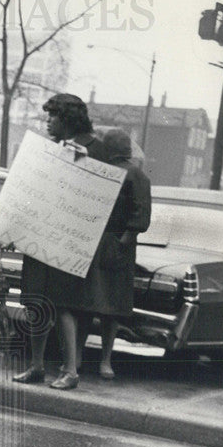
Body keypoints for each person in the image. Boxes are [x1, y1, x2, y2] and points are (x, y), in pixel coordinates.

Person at [13, 93, 106, 390]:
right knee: (36, 303)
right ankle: (37, 366)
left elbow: (102, 191)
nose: (48, 122)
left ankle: (70, 370)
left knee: (63, 305)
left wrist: (84, 162)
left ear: (67, 118)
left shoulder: (94, 148)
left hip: (68, 240)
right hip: (41, 235)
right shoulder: (50, 149)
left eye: (52, 116)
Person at [76, 127, 152, 379]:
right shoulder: (104, 169)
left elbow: (140, 213)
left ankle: (98, 358)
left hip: (117, 243)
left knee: (103, 305)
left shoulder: (134, 175)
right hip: (101, 241)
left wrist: (124, 241)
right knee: (95, 304)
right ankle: (91, 358)